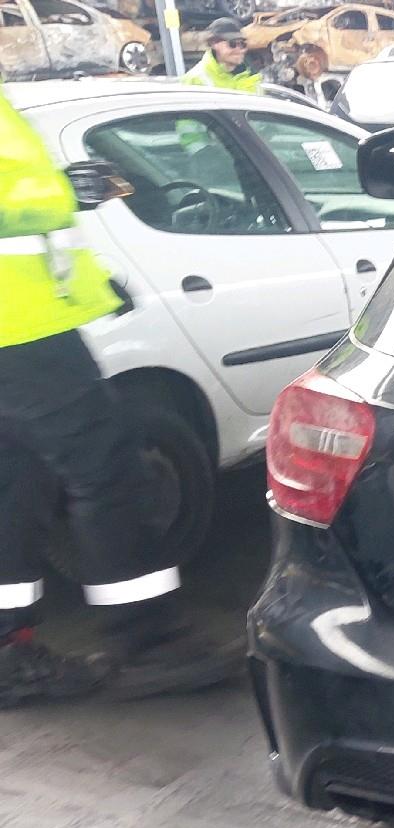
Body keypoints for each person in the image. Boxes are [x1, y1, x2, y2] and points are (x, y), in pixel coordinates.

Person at [0, 83, 217, 708]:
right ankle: (149, 644)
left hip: (23, 326)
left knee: (13, 483)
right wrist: (65, 189)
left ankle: (7, 653)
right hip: (19, 332)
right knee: (108, 470)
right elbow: (22, 204)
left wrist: (92, 284)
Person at [180, 18, 262, 93]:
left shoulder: (252, 76)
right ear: (214, 43)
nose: (239, 49)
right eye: (232, 44)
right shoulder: (194, 79)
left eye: (242, 44)